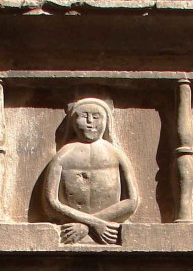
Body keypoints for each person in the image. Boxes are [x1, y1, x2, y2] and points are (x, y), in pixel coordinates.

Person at [43, 97, 139, 244]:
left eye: (96, 117)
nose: (90, 122)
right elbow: (51, 202)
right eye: (83, 116)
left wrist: (86, 225)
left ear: (107, 121)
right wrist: (95, 224)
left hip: (108, 231)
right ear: (73, 122)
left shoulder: (115, 155)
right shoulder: (63, 156)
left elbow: (131, 201)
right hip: (69, 232)